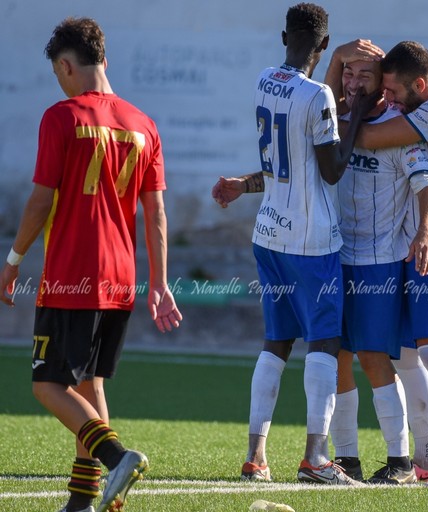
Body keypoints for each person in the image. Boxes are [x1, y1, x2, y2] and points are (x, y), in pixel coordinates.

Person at [0, 17, 183, 512]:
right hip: (120, 277)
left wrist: (13, 259)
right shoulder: (144, 124)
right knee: (89, 385)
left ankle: (117, 456)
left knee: (46, 385)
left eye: (58, 73)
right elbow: (157, 213)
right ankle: (82, 501)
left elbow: (41, 201)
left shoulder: (62, 116)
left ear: (66, 65)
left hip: (71, 276)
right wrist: (159, 283)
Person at [211, 3, 375, 486]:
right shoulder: (318, 95)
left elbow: (289, 162)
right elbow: (330, 169)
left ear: (285, 36)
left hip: (269, 233)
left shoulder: (264, 80)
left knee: (275, 343)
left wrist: (244, 184)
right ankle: (316, 459)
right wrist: (359, 113)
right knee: (323, 342)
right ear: (323, 46)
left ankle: (255, 458)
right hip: (311, 239)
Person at [326, 39, 428, 489]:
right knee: (410, 357)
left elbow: (368, 137)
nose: (387, 98)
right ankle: (426, 459)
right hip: (417, 247)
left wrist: (334, 108)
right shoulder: (418, 105)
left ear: (419, 83)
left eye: (392, 91)